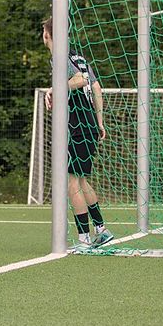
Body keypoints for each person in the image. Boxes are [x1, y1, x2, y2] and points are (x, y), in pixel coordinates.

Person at [42, 17, 112, 249]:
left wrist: (56, 88)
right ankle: (101, 230)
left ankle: (84, 239)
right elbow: (96, 87)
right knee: (81, 180)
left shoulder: (60, 57)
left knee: (71, 181)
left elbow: (80, 80)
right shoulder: (78, 56)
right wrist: (99, 122)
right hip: (89, 122)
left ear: (48, 35)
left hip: (76, 125)